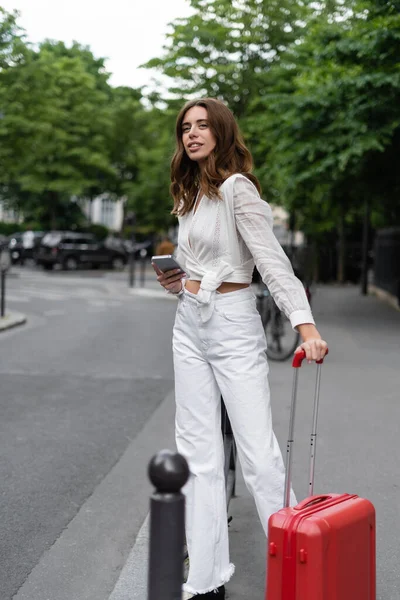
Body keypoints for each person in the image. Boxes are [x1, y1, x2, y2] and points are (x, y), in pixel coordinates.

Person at [152, 98, 328, 599]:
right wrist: (176, 279)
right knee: (198, 453)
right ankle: (206, 577)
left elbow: (271, 263)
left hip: (231, 326)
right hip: (188, 325)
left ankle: (300, 574)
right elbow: (201, 265)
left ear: (222, 132)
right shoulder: (189, 197)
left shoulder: (237, 189)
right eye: (185, 127)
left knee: (259, 456)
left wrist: (305, 325)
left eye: (203, 125)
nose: (191, 134)